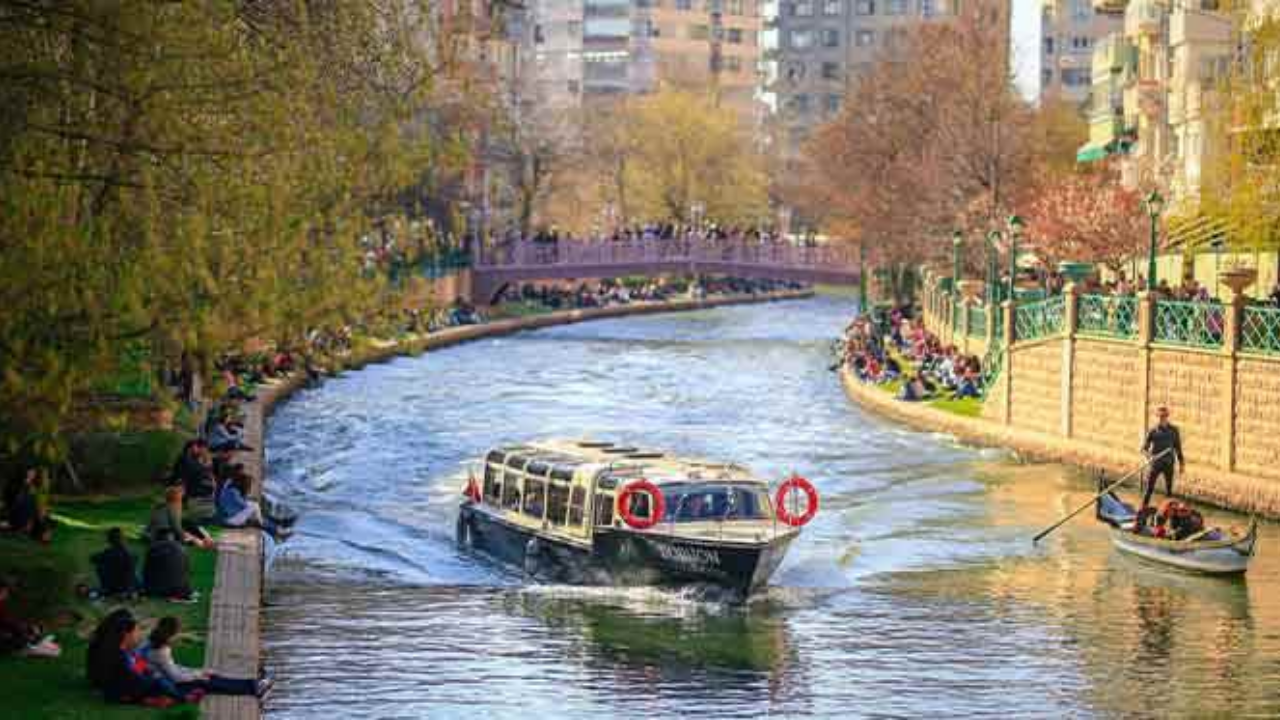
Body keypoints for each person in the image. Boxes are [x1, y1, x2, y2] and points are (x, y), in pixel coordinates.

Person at [140, 616, 271, 698]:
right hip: (172, 686)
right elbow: (176, 677)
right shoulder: (161, 651)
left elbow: (172, 668)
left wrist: (196, 672)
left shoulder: (152, 643)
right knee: (208, 682)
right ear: (170, 635)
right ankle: (253, 688)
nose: (178, 637)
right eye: (177, 634)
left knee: (211, 677)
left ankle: (252, 683)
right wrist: (197, 675)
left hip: (166, 680)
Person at [93, 612, 200, 707]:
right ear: (126, 634)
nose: (138, 635)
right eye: (136, 631)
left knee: (156, 677)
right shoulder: (120, 656)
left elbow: (137, 664)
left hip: (127, 688)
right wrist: (152, 677)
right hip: (124, 694)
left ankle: (163, 698)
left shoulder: (123, 650)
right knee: (159, 681)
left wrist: (148, 670)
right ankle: (182, 698)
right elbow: (136, 678)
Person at [0, 579, 59, 657]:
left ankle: (34, 643)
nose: (6, 594)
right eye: (5, 591)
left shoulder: (2, 605)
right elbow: (7, 623)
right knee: (14, 637)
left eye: (6, 592)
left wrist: (28, 628)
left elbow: (9, 622)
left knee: (21, 632)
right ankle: (30, 646)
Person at [1141, 405, 1185, 510]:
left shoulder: (1174, 431)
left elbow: (1178, 448)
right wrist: (1149, 457)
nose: (1162, 418)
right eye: (1160, 416)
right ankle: (1142, 510)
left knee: (1169, 491)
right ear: (1157, 417)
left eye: (1164, 416)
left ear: (1167, 417)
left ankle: (1168, 512)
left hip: (1169, 463)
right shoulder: (1153, 431)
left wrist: (1182, 463)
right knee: (1149, 489)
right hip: (1155, 464)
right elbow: (1143, 449)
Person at [147, 486, 213, 549]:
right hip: (164, 534)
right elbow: (176, 529)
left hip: (158, 533)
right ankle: (205, 540)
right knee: (186, 529)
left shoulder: (164, 506)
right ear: (176, 498)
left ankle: (206, 539)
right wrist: (195, 540)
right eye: (181, 497)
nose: (181, 499)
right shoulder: (172, 507)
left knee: (188, 523)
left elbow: (180, 523)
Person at [143, 529, 194, 602]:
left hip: (157, 590)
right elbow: (188, 571)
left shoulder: (153, 549)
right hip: (181, 589)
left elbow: (146, 572)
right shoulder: (183, 549)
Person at [6, 468, 54, 543]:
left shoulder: (34, 487)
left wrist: (42, 509)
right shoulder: (23, 485)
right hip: (21, 512)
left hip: (29, 513)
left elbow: (39, 502)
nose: (32, 474)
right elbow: (18, 499)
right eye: (30, 472)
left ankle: (36, 529)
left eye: (33, 473)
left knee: (42, 517)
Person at [91, 528, 140, 598]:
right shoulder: (129, 555)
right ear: (122, 539)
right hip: (126, 587)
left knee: (100, 565)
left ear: (109, 540)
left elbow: (93, 558)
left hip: (110, 587)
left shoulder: (107, 553)